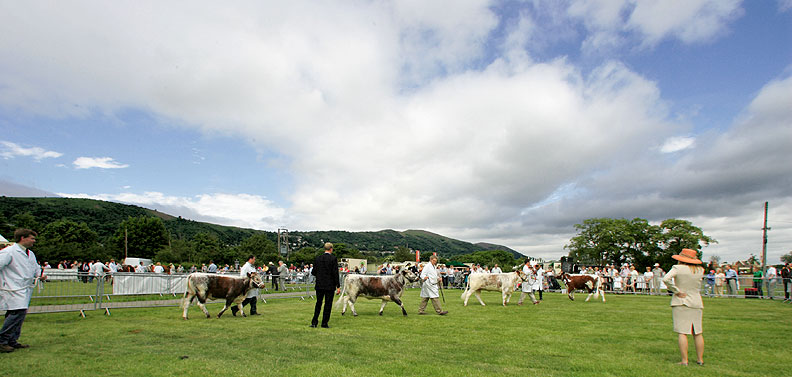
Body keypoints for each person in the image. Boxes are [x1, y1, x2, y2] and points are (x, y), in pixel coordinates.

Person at [0, 229, 48, 353]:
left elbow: (35, 268)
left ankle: (12, 340)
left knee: (16, 314)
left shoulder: (30, 254)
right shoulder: (8, 252)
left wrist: (41, 275)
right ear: (22, 238)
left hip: (25, 288)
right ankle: (2, 340)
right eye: (32, 238)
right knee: (17, 312)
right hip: (12, 287)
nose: (34, 241)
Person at [662, 248, 705, 366]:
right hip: (696, 301)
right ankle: (700, 359)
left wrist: (676, 291)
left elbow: (666, 279)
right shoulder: (700, 270)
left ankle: (684, 360)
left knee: (682, 332)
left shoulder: (678, 268)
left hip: (681, 301)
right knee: (698, 332)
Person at [310, 243, 340, 328]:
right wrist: (338, 286)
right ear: (331, 249)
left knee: (318, 303)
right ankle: (324, 323)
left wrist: (320, 275)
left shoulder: (318, 258)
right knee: (328, 304)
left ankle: (314, 322)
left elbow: (313, 272)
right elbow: (335, 273)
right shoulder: (333, 259)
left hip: (319, 284)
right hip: (329, 285)